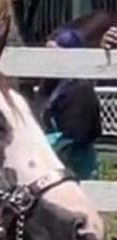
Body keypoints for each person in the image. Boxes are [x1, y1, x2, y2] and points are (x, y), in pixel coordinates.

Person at [37, 27, 102, 180]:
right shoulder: (50, 86)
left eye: (54, 53)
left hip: (74, 165)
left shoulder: (80, 90)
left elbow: (74, 139)